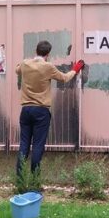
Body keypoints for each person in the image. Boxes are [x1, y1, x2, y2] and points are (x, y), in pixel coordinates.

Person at [15, 40, 84, 175]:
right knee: (37, 145)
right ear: (48, 54)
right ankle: (35, 180)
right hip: (41, 110)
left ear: (36, 50)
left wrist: (26, 62)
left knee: (24, 145)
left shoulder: (25, 64)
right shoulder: (48, 67)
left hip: (26, 110)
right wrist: (75, 70)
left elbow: (17, 69)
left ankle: (20, 179)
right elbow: (64, 78)